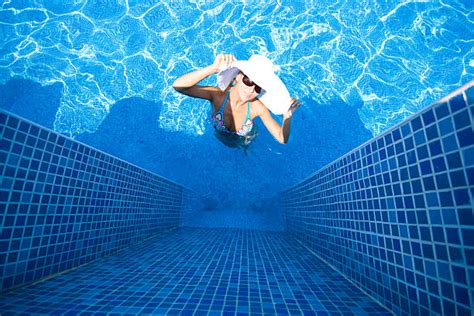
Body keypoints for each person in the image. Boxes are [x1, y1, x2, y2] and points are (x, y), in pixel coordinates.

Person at [172, 54, 301, 148]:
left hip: (242, 140)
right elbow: (179, 86)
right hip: (219, 135)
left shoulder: (258, 108)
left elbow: (281, 138)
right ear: (238, 76)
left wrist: (287, 117)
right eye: (249, 81)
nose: (251, 90)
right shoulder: (217, 96)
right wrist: (213, 68)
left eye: (258, 87)